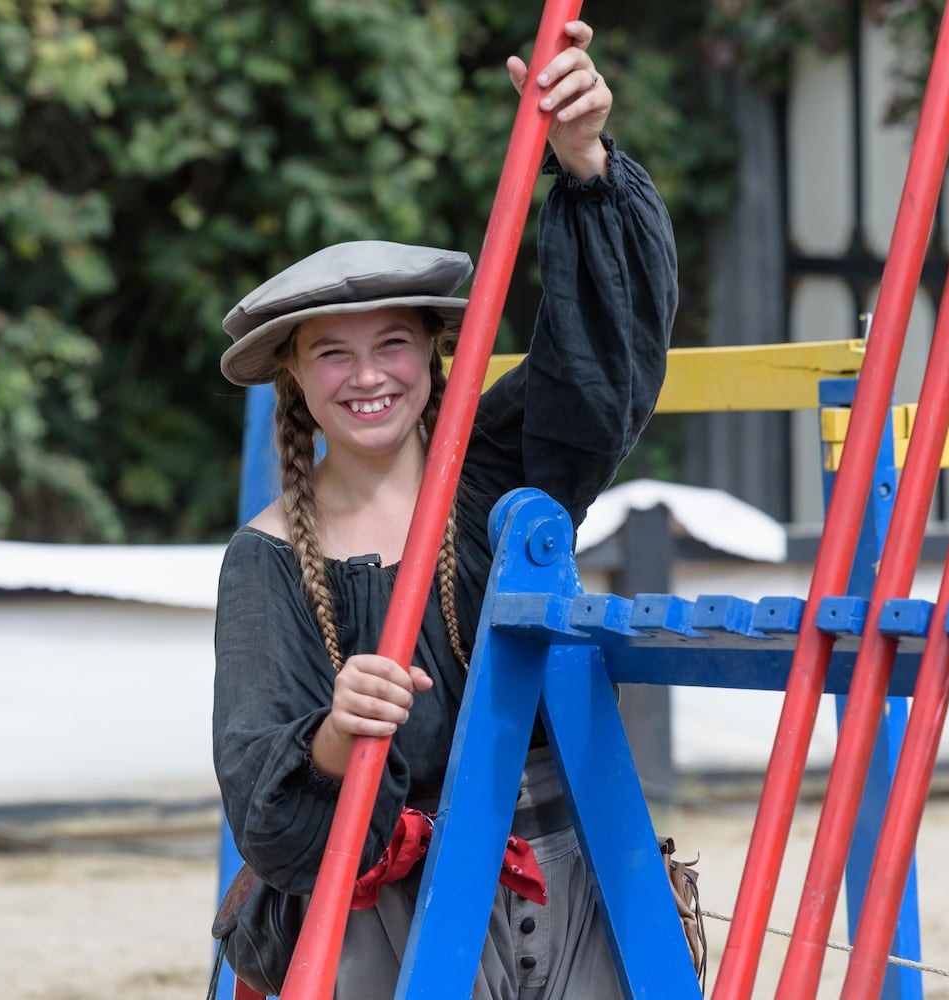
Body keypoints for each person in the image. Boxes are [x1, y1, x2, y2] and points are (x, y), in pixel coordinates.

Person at [212, 19, 678, 999]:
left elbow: (604, 366)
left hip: (567, 868)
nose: (368, 375)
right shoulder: (265, 562)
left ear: (434, 353)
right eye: (331, 352)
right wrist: (337, 733)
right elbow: (264, 802)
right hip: (384, 902)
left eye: (393, 343)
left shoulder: (500, 468)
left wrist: (582, 162)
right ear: (295, 377)